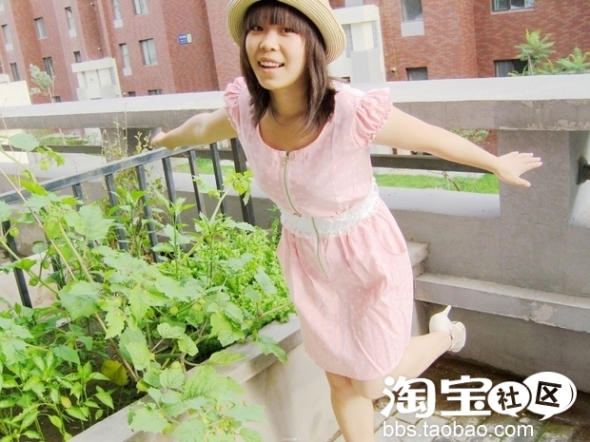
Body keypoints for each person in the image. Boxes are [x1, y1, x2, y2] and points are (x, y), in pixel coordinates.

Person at [151, 0, 542, 440]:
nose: (267, 43)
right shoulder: (247, 108)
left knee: (371, 383)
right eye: (257, 29)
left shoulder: (348, 111)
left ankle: (444, 336)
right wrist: (169, 139)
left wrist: (495, 163)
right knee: (339, 377)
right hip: (306, 261)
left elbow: (431, 138)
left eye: (285, 31)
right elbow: (203, 127)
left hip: (366, 254)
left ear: (312, 45)